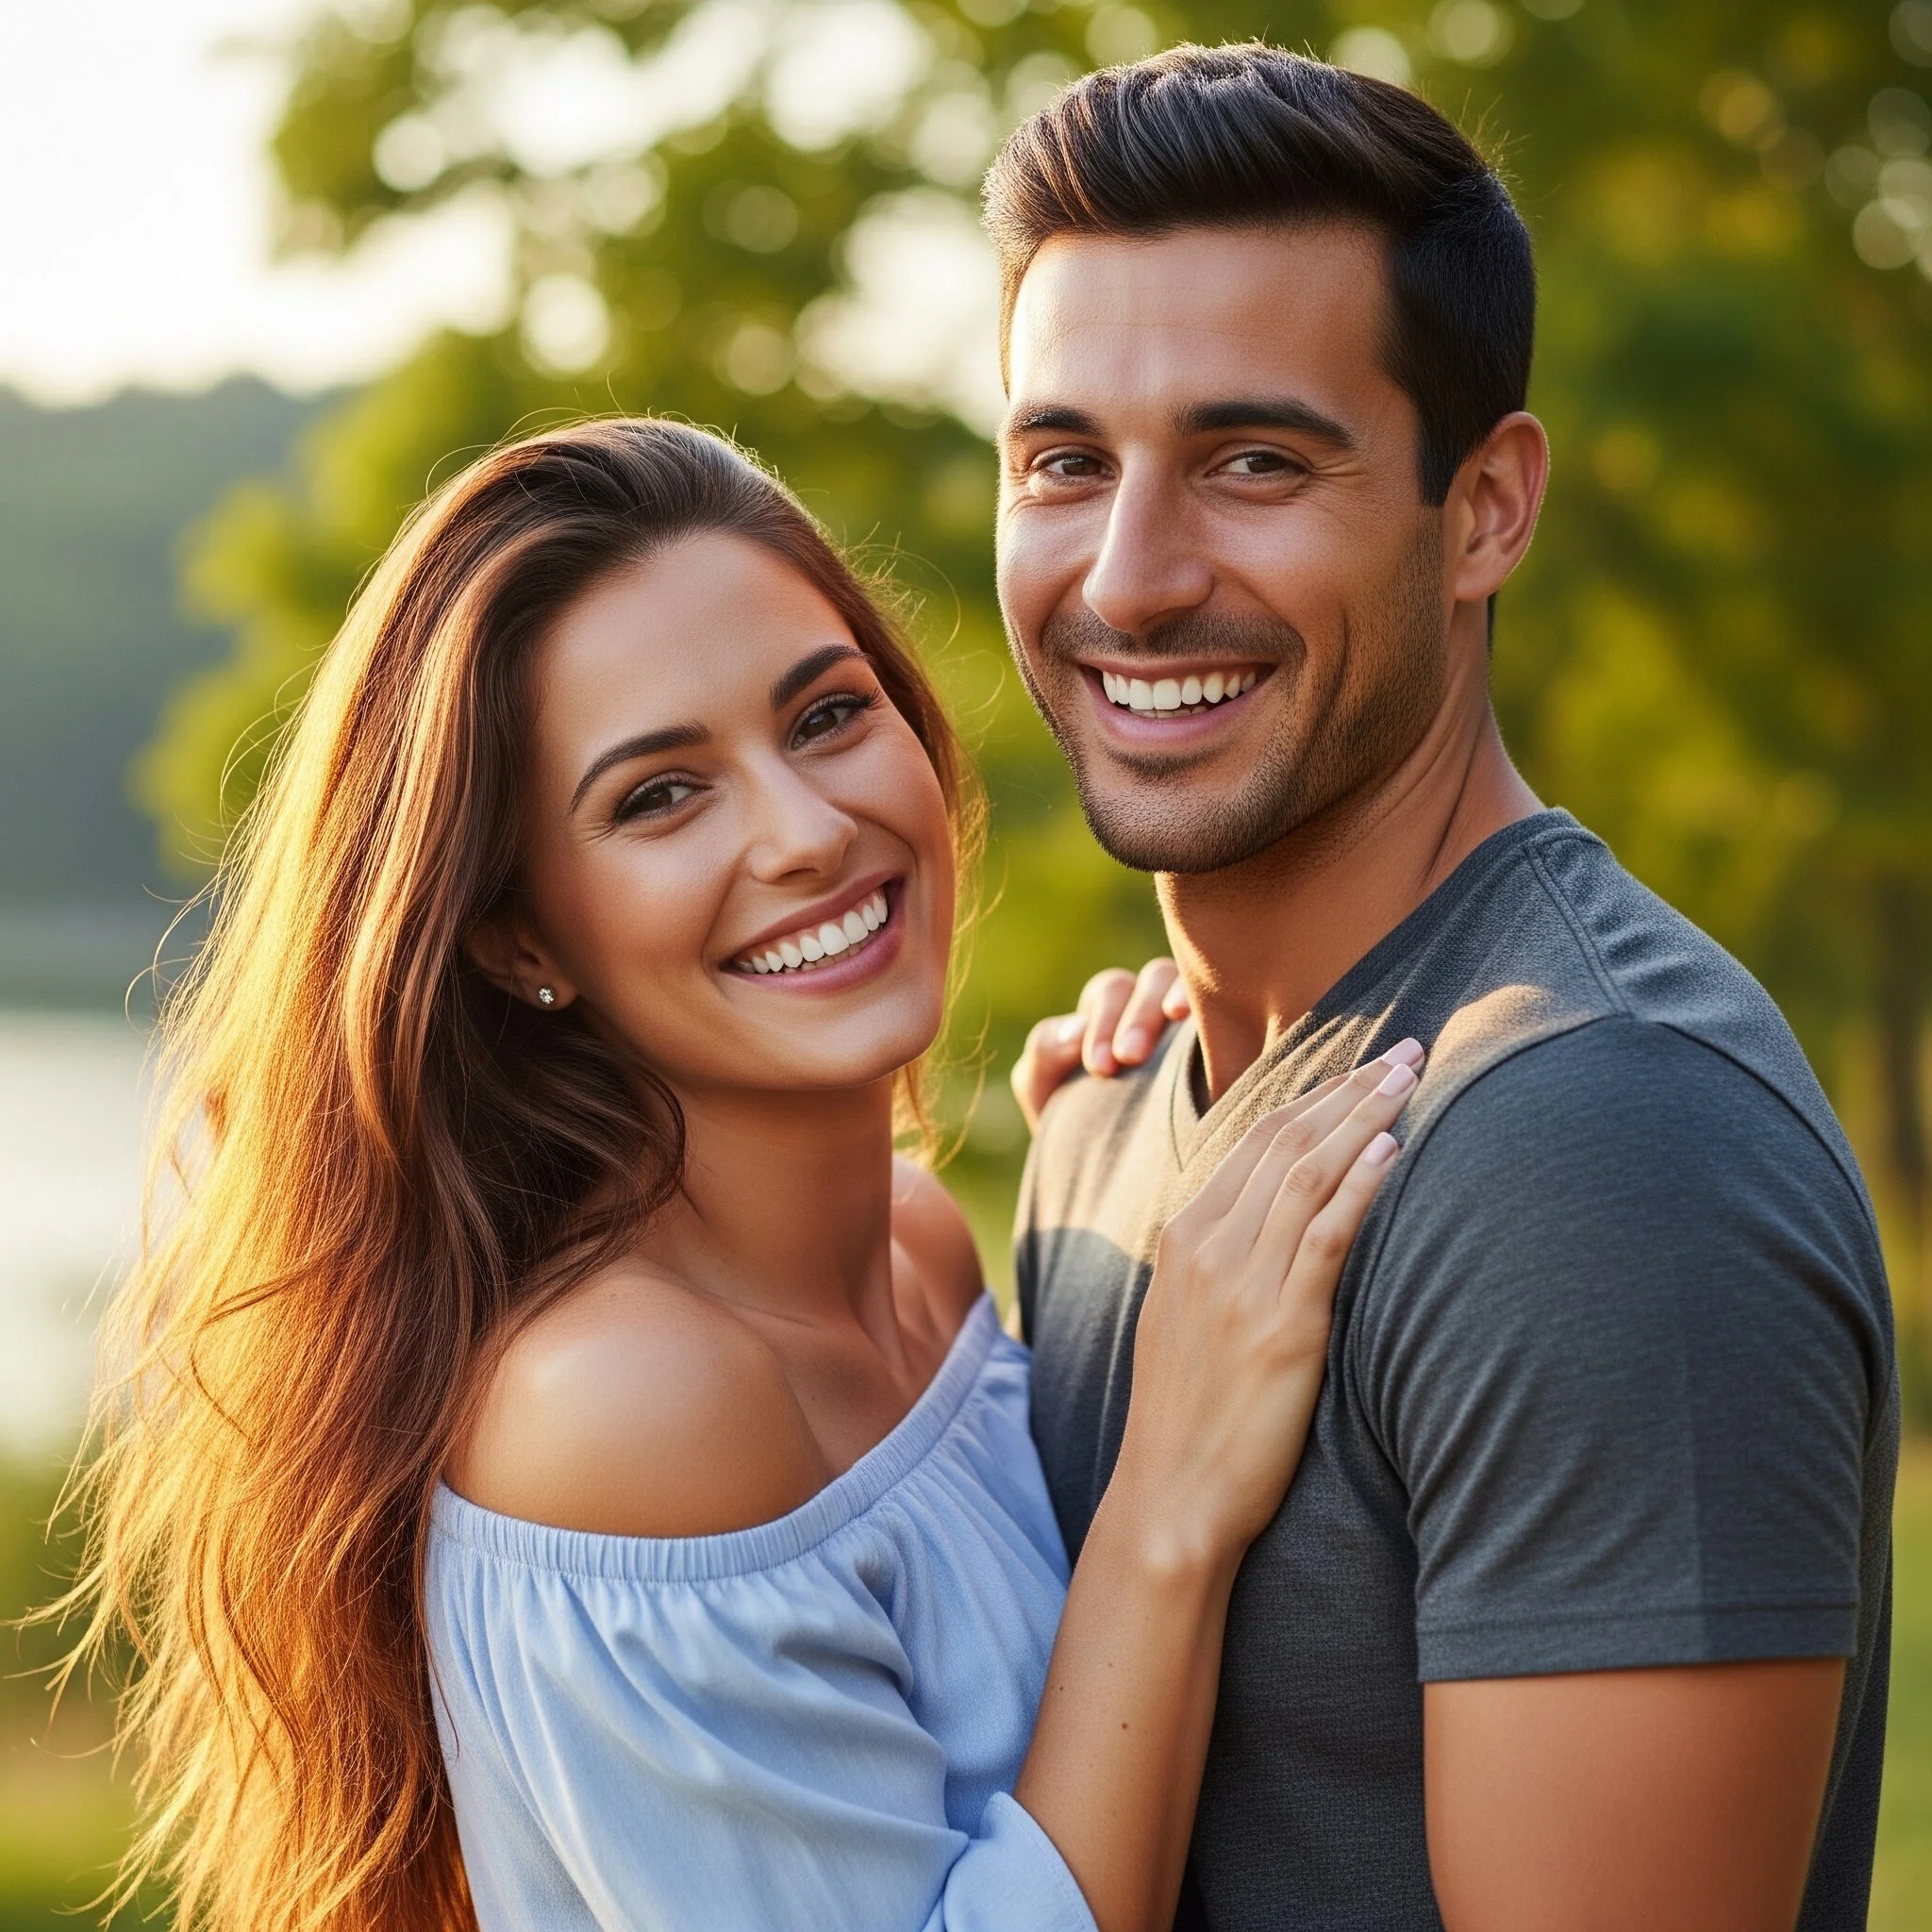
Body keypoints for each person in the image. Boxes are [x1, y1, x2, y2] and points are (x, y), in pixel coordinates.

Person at [75, 415, 1426, 1932]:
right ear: (520, 939)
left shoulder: (921, 1247)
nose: (806, 831)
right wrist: (1171, 1493)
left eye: (828, 716)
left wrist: (1125, 1155)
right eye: (659, 796)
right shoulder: (626, 1406)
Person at [989, 43, 1898, 1932]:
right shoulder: (1105, 1122)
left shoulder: (1597, 1149)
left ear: (1483, 509)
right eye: (1064, 460)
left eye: (1251, 460)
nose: (1129, 576)